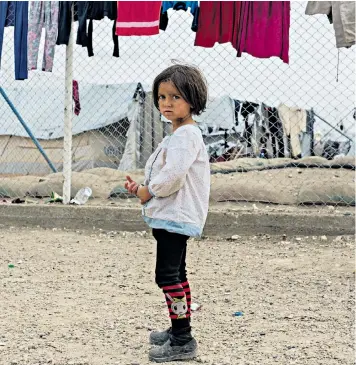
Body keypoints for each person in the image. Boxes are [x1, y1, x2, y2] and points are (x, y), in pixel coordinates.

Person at [125, 64, 210, 363]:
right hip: (173, 215)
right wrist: (142, 187)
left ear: (193, 99)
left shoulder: (186, 136)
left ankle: (183, 339)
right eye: (162, 97)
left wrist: (148, 191)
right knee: (178, 274)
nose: (167, 104)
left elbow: (172, 175)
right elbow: (167, 171)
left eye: (175, 97)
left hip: (176, 216)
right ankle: (178, 331)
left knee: (167, 276)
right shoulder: (179, 134)